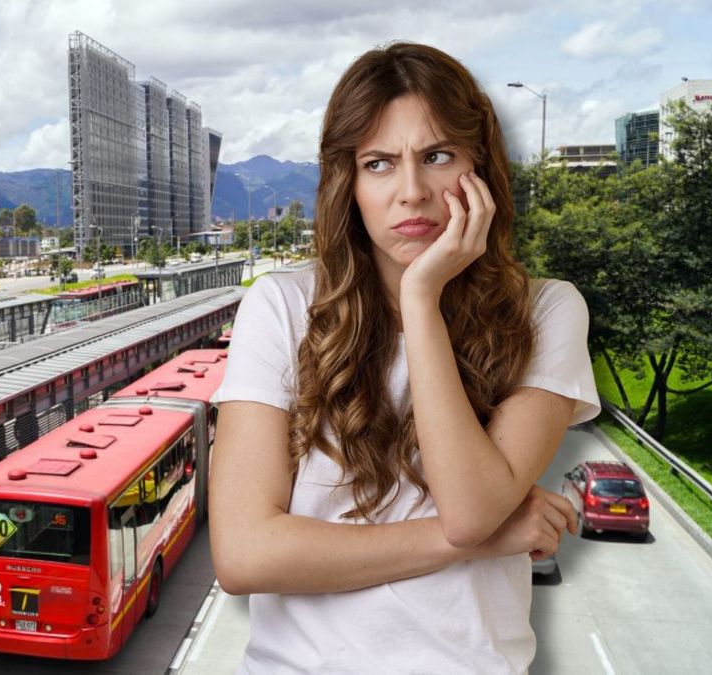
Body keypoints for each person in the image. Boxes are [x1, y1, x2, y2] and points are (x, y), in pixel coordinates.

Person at [208, 42, 600, 674]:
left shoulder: (547, 310)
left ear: (481, 167)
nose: (412, 192)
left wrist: (421, 299)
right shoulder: (280, 308)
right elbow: (244, 556)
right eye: (379, 163)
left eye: (437, 156)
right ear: (350, 184)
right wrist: (482, 540)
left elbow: (470, 510)